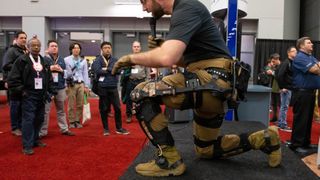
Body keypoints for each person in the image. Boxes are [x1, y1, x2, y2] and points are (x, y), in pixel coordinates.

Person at [112, 0, 281, 177]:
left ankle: (169, 160)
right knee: (206, 149)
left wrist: (131, 58)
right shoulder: (188, 10)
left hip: (211, 82)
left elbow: (167, 58)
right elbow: (191, 60)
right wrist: (163, 46)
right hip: (215, 85)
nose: (144, 8)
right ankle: (265, 139)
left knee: (142, 92)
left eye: (144, 1)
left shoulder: (186, 8)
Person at [7, 37, 55, 155]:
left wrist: (50, 91)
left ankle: (35, 140)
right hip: (28, 94)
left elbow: (48, 77)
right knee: (28, 119)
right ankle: (27, 145)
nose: (36, 47)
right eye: (33, 45)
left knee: (39, 119)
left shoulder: (43, 61)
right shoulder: (22, 60)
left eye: (38, 45)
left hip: (41, 95)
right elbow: (13, 79)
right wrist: (22, 91)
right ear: (28, 48)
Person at [289, 37, 320, 155]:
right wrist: (316, 66)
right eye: (309, 42)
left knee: (307, 120)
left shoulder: (310, 56)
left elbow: (318, 68)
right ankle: (296, 145)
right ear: (302, 46)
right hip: (302, 93)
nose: (312, 44)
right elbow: (314, 69)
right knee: (301, 120)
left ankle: (305, 143)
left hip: (310, 93)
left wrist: (317, 66)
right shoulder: (300, 57)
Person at [92, 41, 129, 136]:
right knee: (103, 108)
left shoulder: (115, 59)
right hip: (102, 87)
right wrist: (112, 69)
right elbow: (97, 71)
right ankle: (106, 129)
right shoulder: (97, 60)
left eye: (109, 47)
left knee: (117, 107)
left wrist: (106, 69)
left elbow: (119, 70)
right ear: (102, 49)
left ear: (111, 49)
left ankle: (119, 128)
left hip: (113, 86)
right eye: (105, 48)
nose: (107, 49)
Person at [39, 40, 75, 137]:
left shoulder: (63, 60)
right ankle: (42, 132)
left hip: (60, 87)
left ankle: (64, 129)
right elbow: (39, 72)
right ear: (48, 48)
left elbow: (69, 74)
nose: (54, 48)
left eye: (56, 46)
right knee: (46, 111)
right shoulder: (43, 59)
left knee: (61, 110)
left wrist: (61, 70)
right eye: (52, 46)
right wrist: (49, 69)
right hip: (48, 89)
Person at [2, 31, 28, 136]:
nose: (24, 40)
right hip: (14, 83)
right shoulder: (11, 51)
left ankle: (21, 126)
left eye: (25, 38)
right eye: (21, 38)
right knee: (15, 106)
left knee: (22, 106)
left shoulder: (25, 51)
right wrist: (6, 80)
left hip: (23, 83)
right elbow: (5, 66)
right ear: (16, 39)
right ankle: (15, 127)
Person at [64, 42, 90, 128]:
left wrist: (86, 86)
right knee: (71, 104)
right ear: (71, 50)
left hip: (81, 84)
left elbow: (85, 73)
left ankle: (77, 121)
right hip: (71, 84)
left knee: (80, 104)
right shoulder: (66, 60)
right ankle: (71, 121)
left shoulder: (83, 60)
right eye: (74, 48)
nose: (76, 49)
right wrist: (65, 85)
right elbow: (65, 73)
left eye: (78, 48)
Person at [123, 41, 148, 123]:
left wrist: (147, 81)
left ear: (140, 48)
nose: (136, 48)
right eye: (135, 46)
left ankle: (141, 114)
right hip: (130, 81)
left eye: (138, 46)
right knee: (129, 99)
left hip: (141, 81)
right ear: (132, 48)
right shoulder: (128, 58)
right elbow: (123, 69)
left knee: (142, 99)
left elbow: (147, 70)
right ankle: (129, 115)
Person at [276, 46, 297, 132]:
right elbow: (279, 75)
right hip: (287, 88)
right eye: (294, 51)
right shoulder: (286, 62)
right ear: (289, 53)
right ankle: (282, 125)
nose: (296, 52)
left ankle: (281, 123)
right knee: (284, 107)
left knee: (284, 106)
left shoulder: (291, 62)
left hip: (289, 88)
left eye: (296, 51)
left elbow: (277, 73)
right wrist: (282, 87)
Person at [266, 53, 281, 122]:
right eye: (272, 61)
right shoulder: (274, 66)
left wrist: (272, 72)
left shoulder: (281, 66)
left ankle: (281, 120)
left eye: (274, 61)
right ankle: (275, 117)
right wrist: (270, 68)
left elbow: (279, 75)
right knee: (274, 104)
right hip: (273, 88)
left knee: (281, 105)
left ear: (277, 59)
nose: (273, 63)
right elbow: (266, 68)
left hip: (280, 88)